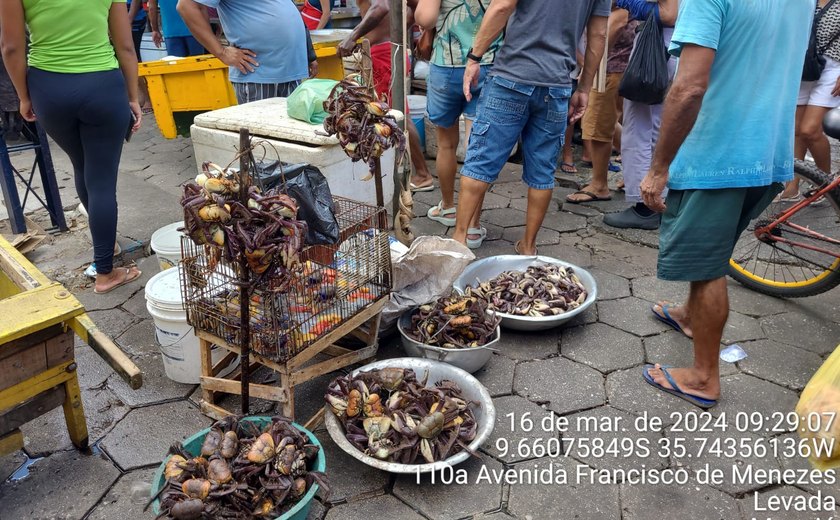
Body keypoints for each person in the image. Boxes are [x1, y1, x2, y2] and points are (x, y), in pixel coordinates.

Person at [639, 0, 812, 407]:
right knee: (713, 248)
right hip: (769, 152)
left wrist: (659, 167)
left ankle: (702, 378)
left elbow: (688, 88)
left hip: (716, 155)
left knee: (707, 267)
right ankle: (688, 315)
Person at [0, 0, 143, 294]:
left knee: (81, 165)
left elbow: (11, 47)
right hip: (103, 85)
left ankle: (106, 241)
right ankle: (105, 272)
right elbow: (125, 46)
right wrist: (132, 96)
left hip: (49, 90)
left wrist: (24, 98)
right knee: (101, 180)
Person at [451, 0, 609, 255]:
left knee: (480, 161)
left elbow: (503, 5)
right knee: (542, 172)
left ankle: (458, 243)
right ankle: (528, 246)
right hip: (557, 84)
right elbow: (599, 33)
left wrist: (474, 57)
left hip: (512, 76)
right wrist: (584, 87)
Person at [414, 0, 501, 249]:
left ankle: (449, 207)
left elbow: (425, 17)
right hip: (487, 63)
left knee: (445, 144)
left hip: (446, 64)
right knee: (478, 148)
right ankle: (473, 226)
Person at [337, 0, 433, 192]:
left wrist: (352, 36)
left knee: (397, 115)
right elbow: (413, 6)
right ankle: (398, 167)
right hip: (386, 49)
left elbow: (381, 7)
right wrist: (396, 28)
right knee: (389, 114)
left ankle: (422, 174)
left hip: (384, 53)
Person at [601, 0, 678, 229]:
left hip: (657, 46)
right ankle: (660, 200)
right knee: (658, 127)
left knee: (638, 130)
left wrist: (629, 2)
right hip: (672, 46)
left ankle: (644, 208)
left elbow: (670, 14)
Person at [177, 0, 317, 103]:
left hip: (291, 72)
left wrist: (309, 55)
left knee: (291, 137)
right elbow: (186, 6)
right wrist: (222, 52)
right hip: (258, 73)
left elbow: (289, 10)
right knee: (260, 139)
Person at [567, 6, 637, 203]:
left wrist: (593, 65)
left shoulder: (620, 10)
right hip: (616, 66)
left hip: (608, 68)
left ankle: (599, 185)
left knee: (597, 126)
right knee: (610, 124)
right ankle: (637, 173)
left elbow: (616, 23)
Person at [779, 0, 840, 202]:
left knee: (810, 130)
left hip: (833, 66)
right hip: (804, 64)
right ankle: (792, 185)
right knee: (796, 130)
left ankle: (825, 184)